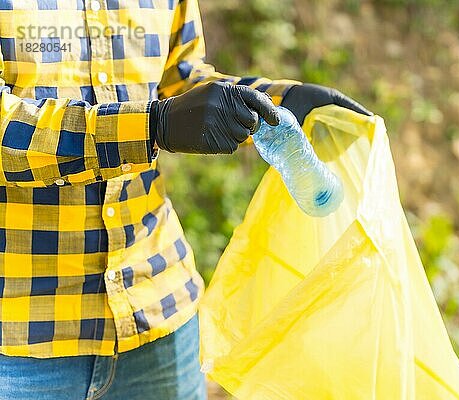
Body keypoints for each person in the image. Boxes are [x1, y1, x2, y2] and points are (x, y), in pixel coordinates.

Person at [0, 1, 370, 399]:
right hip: (19, 341)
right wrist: (154, 125)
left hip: (158, 310)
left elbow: (182, 78)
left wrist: (277, 101)